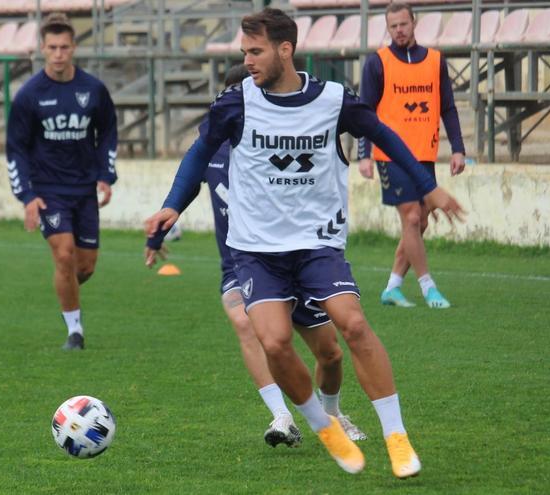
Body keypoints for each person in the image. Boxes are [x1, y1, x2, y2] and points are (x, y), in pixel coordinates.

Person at [144, 9, 463, 478]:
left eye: (255, 51)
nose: (248, 60)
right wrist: (174, 204)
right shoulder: (236, 103)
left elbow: (385, 136)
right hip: (255, 250)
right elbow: (199, 154)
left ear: (285, 49)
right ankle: (323, 426)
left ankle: (397, 437)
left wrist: (427, 185)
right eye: (244, 52)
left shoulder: (334, 100)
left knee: (352, 325)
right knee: (273, 341)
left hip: (317, 245)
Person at [145, 64, 367, 448]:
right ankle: (281, 416)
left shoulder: (279, 143)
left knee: (330, 353)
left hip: (299, 259)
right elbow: (187, 184)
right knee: (244, 323)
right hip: (243, 264)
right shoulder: (211, 147)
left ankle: (332, 413)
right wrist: (160, 231)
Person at [5, 13, 118, 351]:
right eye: (52, 47)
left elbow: (108, 132)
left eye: (64, 47)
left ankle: (66, 289)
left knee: (85, 266)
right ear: (42, 49)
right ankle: (75, 332)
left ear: (74, 48)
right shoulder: (29, 95)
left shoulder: (92, 89)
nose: (58, 53)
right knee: (64, 254)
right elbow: (16, 149)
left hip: (84, 189)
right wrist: (26, 195)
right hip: (48, 190)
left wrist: (105, 175)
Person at [357, 2, 466, 309]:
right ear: (387, 28)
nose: (399, 31)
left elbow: (447, 106)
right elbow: (364, 112)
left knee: (421, 225)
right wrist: (363, 154)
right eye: (393, 26)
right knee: (413, 216)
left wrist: (457, 148)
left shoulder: (434, 60)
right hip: (389, 155)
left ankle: (392, 286)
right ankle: (428, 287)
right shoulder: (376, 63)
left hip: (424, 153)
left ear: (413, 23)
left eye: (403, 24)